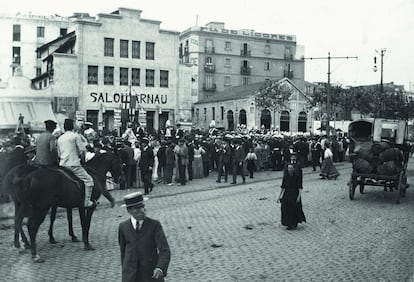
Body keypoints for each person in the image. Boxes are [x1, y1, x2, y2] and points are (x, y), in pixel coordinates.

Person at [118, 191, 171, 282]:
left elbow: (164, 250)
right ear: (129, 211)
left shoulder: (154, 225)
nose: (142, 211)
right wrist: (126, 272)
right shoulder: (123, 227)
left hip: (151, 275)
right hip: (131, 276)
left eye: (142, 207)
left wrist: (160, 268)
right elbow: (123, 252)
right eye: (137, 209)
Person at [57, 118, 94, 207]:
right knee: (89, 181)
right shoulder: (75, 136)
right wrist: (82, 159)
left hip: (62, 165)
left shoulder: (60, 138)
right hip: (74, 164)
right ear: (72, 126)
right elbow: (82, 150)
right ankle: (87, 202)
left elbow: (59, 153)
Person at [278, 159, 306, 230]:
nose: (290, 170)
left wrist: (299, 197)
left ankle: (294, 222)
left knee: (294, 209)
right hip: (287, 194)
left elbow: (300, 187)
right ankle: (288, 223)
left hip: (294, 194)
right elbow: (283, 187)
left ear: (293, 169)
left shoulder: (297, 177)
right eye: (288, 168)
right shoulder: (286, 177)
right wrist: (279, 196)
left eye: (291, 168)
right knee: (285, 208)